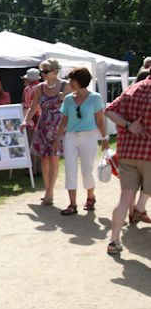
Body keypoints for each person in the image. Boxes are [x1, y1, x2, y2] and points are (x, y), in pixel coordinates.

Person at [105, 69, 151, 252]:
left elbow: (109, 110)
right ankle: (140, 209)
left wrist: (128, 126)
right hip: (149, 153)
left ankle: (114, 241)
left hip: (128, 152)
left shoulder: (133, 89)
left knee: (124, 198)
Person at [52, 67, 109, 215]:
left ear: (80, 81)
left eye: (72, 79)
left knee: (86, 171)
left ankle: (90, 197)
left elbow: (100, 120)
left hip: (89, 137)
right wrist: (57, 139)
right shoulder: (69, 99)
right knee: (70, 169)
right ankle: (72, 204)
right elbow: (63, 121)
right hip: (71, 137)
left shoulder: (95, 98)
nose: (70, 82)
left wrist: (105, 139)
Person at [21, 58, 73, 205]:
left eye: (45, 71)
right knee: (44, 159)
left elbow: (73, 106)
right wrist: (26, 120)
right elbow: (33, 107)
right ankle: (47, 189)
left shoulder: (66, 86)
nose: (42, 74)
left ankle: (50, 192)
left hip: (58, 127)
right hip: (43, 126)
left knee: (54, 158)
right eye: (41, 71)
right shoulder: (39, 88)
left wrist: (65, 100)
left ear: (55, 71)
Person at [22, 68, 42, 175]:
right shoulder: (43, 87)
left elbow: (26, 105)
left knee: (30, 144)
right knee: (39, 144)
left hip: (31, 119)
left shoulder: (28, 89)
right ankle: (40, 169)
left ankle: (32, 170)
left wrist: (25, 118)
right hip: (41, 119)